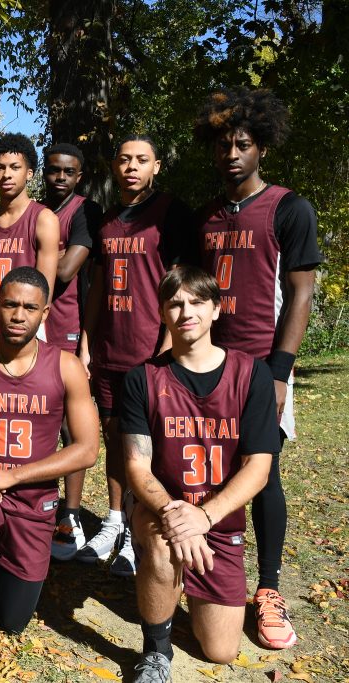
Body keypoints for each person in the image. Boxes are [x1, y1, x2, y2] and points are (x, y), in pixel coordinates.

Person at [193, 87, 322, 650]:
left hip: (262, 366)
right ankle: (207, 571)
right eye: (223, 145)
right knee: (207, 468)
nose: (232, 154)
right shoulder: (209, 217)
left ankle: (267, 590)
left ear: (261, 147)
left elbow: (300, 296)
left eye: (242, 144)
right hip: (210, 363)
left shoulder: (289, 208)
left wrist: (279, 371)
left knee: (262, 473)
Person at [0, 267, 99, 674]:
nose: (18, 315)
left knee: (12, 621)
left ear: (45, 314)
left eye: (30, 307)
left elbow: (86, 450)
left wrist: (11, 476)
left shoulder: (65, 367)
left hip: (33, 498)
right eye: (10, 304)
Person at [122, 266, 279, 682]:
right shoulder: (143, 378)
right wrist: (177, 515)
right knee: (159, 539)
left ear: (216, 309)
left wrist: (203, 518)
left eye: (196, 302)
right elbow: (137, 465)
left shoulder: (252, 374)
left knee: (221, 651)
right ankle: (156, 650)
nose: (185, 311)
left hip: (219, 520)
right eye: (174, 303)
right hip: (164, 509)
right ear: (161, 313)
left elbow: (259, 468)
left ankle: (177, 585)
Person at [77, 135, 196, 576]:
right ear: (114, 165)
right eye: (124, 159)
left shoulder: (169, 213)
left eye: (141, 160)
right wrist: (87, 343)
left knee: (147, 445)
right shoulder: (106, 221)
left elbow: (182, 282)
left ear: (156, 166)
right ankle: (113, 520)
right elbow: (97, 289)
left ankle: (138, 531)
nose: (131, 167)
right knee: (114, 439)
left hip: (150, 350)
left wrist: (168, 345)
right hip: (108, 351)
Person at [39, 143, 103, 561]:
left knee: (68, 424)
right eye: (54, 171)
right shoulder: (40, 212)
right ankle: (39, 505)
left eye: (68, 172)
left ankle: (72, 513)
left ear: (79, 176)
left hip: (65, 323)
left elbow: (63, 271)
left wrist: (46, 254)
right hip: (32, 325)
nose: (60, 177)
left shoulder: (85, 211)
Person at [0, 133, 59, 341]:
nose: (6, 174)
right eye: (0, 167)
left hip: (24, 332)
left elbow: (44, 290)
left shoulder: (43, 219)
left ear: (29, 173)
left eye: (15, 167)